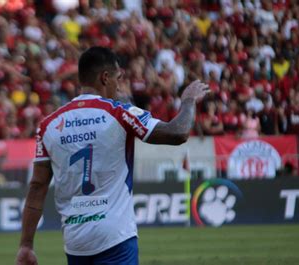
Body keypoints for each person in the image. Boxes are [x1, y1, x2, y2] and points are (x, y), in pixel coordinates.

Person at [15, 47, 208, 265]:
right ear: (105, 78)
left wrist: (26, 245)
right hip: (115, 236)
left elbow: (37, 187)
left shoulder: (48, 124)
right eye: (118, 78)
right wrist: (189, 101)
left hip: (75, 240)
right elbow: (178, 132)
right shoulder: (119, 112)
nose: (119, 85)